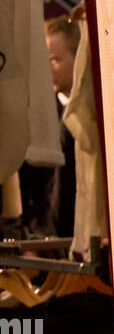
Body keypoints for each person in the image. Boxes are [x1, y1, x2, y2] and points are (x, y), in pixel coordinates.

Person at [16, 17, 80, 240]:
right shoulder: (35, 116)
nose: (47, 68)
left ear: (79, 58)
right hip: (44, 239)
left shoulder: (93, 117)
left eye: (54, 60)